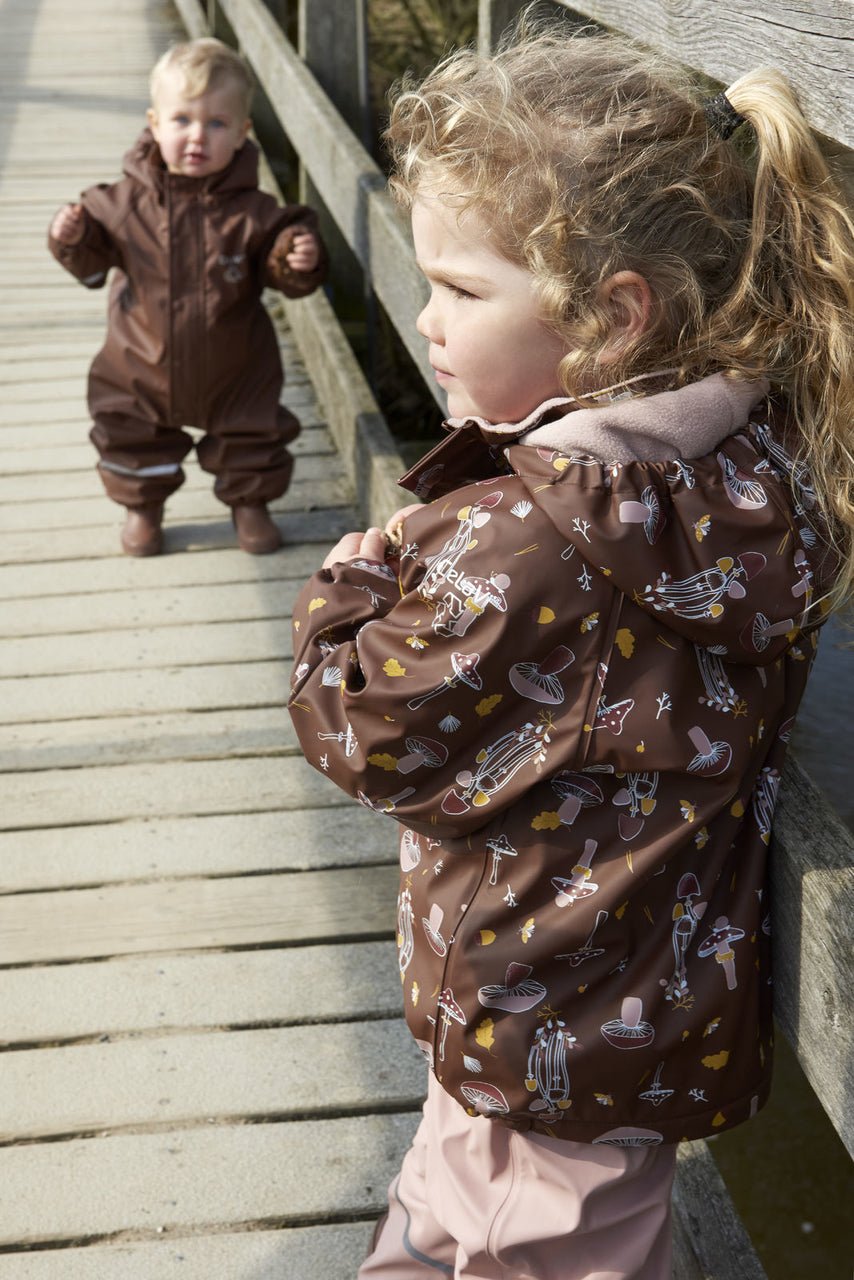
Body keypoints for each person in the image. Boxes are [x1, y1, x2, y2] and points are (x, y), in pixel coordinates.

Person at [288, 22, 854, 1280]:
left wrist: (348, 584)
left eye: (459, 289)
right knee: (454, 1214)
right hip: (632, 1011)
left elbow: (366, 725)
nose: (426, 318)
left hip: (524, 1001)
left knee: (524, 1242)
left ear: (610, 317)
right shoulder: (757, 468)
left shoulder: (532, 540)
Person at [48, 37, 327, 556]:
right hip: (141, 358)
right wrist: (73, 237)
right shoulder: (122, 204)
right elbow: (91, 261)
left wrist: (295, 256)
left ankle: (250, 505)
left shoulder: (254, 211)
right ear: (154, 124)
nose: (197, 136)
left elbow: (282, 265)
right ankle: (143, 509)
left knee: (251, 435)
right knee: (131, 432)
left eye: (217, 123)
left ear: (242, 134)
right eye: (182, 120)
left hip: (234, 362)